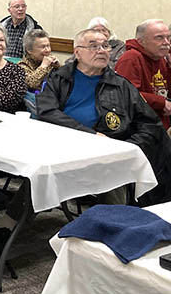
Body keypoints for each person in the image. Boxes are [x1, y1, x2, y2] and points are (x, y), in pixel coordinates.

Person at [38, 27, 171, 206]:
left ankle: (113, 225)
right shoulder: (60, 78)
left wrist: (128, 147)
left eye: (105, 46)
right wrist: (88, 134)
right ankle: (12, 222)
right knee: (39, 170)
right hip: (63, 144)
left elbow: (150, 124)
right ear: (77, 52)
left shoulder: (121, 85)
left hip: (107, 152)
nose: (101, 50)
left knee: (114, 172)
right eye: (93, 46)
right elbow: (47, 111)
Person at [114, 19, 171, 129]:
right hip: (140, 126)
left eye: (168, 37)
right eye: (159, 38)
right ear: (141, 41)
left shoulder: (161, 58)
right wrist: (162, 103)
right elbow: (127, 95)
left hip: (161, 123)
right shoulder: (131, 58)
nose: (166, 42)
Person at [18, 29, 59, 93]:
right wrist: (43, 66)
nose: (47, 50)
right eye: (43, 47)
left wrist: (58, 68)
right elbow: (32, 84)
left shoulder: (50, 62)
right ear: (29, 50)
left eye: (48, 46)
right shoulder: (22, 65)